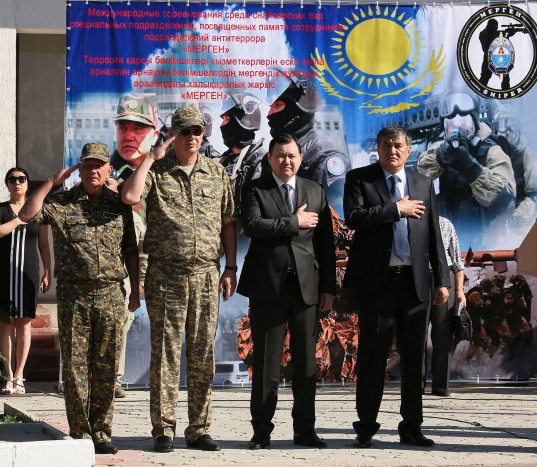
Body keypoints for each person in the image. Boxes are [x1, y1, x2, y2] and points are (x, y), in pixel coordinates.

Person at [121, 105, 237, 453]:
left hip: (206, 275)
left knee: (202, 354)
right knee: (166, 354)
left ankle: (199, 428)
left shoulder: (216, 173)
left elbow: (228, 221)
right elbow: (129, 196)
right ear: (172, 135)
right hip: (166, 276)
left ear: (203, 134)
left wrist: (231, 267)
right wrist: (150, 157)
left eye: (196, 131)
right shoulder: (157, 171)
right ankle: (164, 428)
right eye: (184, 131)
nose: (191, 137)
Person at [18, 142, 139, 455]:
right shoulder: (62, 203)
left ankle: (102, 432)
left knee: (106, 368)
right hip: (75, 295)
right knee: (75, 368)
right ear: (79, 169)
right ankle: (81, 432)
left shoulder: (119, 205)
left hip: (111, 293)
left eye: (99, 165)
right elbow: (26, 214)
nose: (93, 170)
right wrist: (52, 182)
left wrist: (136, 291)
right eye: (87, 165)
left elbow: (130, 250)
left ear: (109, 169)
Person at [343, 124, 450, 448]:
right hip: (378, 284)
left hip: (415, 284)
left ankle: (412, 426)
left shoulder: (423, 182)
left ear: (409, 149)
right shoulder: (360, 179)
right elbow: (354, 217)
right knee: (373, 357)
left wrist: (442, 280)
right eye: (386, 145)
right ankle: (365, 427)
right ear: (377, 148)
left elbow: (434, 234)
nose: (392, 150)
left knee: (415, 359)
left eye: (398, 145)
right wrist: (396, 209)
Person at [237, 133, 336, 450]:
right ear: (270, 159)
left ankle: (305, 430)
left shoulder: (315, 190)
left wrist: (329, 287)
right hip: (269, 287)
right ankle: (261, 432)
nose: (286, 161)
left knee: (306, 364)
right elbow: (253, 226)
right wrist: (294, 221)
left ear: (301, 158)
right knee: (267, 364)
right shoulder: (255, 189)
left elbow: (325, 244)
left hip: (306, 289)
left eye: (292, 155)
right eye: (280, 155)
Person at [416, 90, 516, 248]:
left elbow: (506, 203)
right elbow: (419, 174)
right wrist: (440, 157)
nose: (458, 128)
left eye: (464, 121)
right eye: (451, 123)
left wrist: (471, 168)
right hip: (448, 236)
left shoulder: (492, 151)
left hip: (485, 238)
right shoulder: (441, 147)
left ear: (475, 122)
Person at [110, 93, 157, 397]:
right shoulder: (105, 171)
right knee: (121, 316)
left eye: (138, 128)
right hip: (125, 257)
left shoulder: (163, 170)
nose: (128, 136)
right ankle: (112, 377)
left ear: (154, 133)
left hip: (161, 255)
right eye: (123, 128)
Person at [0, 167, 52, 395]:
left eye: (21, 179)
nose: (17, 182)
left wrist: (47, 271)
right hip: (4, 272)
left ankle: (19, 375)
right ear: (7, 184)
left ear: (27, 183)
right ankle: (7, 375)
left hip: (28, 273)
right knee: (5, 325)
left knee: (24, 324)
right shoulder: (0, 209)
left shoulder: (38, 210)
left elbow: (44, 245)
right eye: (12, 179)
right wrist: (19, 220)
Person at [266, 67, 350, 212]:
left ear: (297, 109)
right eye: (271, 106)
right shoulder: (271, 158)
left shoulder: (325, 161)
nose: (269, 113)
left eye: (278, 105)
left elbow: (337, 216)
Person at [423, 216, 466, 397]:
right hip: (416, 278)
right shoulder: (407, 221)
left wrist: (460, 291)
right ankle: (416, 385)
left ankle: (441, 386)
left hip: (444, 277)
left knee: (443, 335)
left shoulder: (445, 223)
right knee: (417, 335)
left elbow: (457, 261)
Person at [218, 93, 267, 216]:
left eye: (226, 119)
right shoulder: (224, 160)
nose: (222, 125)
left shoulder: (261, 160)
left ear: (240, 123)